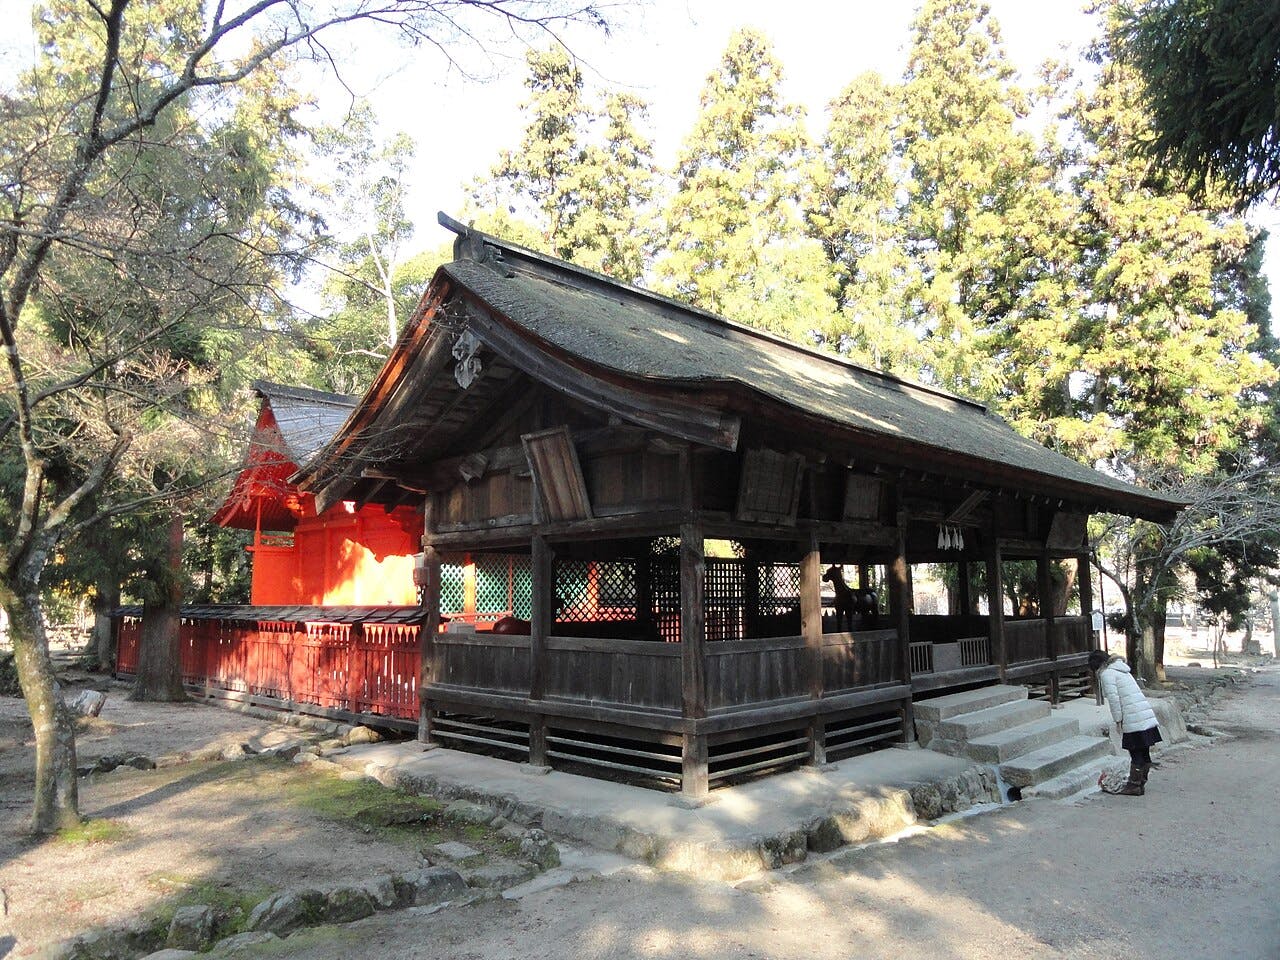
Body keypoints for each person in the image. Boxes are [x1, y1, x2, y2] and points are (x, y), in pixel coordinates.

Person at [1088, 649, 1163, 796]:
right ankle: (1141, 781)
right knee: (1144, 749)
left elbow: (1114, 700)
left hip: (1132, 716)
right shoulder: (1122, 669)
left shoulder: (1107, 674)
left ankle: (1134, 785)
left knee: (1135, 750)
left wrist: (1118, 720)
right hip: (1143, 713)